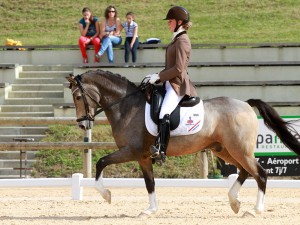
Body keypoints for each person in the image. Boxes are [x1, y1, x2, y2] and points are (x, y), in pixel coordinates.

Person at [145, 6, 197, 162]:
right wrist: (156, 76)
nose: (168, 24)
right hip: (169, 83)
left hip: (177, 85)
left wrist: (159, 76)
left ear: (179, 22)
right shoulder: (176, 39)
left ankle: (161, 150)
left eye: (170, 21)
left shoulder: (182, 40)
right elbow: (170, 67)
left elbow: (179, 68)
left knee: (164, 112)